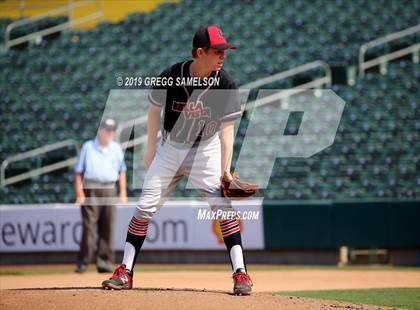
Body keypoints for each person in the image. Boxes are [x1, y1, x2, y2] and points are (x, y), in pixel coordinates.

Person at [102, 26, 253, 295]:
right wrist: (150, 148)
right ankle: (125, 272)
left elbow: (228, 130)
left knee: (223, 208)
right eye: (217, 51)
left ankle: (241, 273)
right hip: (170, 148)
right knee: (144, 207)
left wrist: (225, 169)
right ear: (199, 52)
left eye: (224, 51)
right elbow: (153, 110)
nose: (223, 56)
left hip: (206, 150)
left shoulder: (226, 83)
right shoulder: (171, 76)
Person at [74, 118, 128, 273]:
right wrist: (79, 192)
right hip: (91, 188)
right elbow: (79, 172)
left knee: (108, 227)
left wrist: (123, 191)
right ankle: (83, 262)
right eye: (108, 129)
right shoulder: (88, 147)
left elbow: (122, 171)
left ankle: (104, 262)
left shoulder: (116, 148)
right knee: (88, 227)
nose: (110, 132)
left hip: (110, 188)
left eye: (112, 130)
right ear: (100, 130)